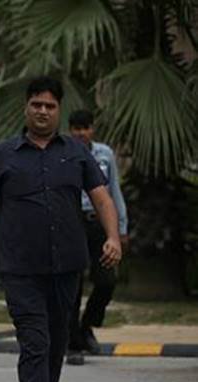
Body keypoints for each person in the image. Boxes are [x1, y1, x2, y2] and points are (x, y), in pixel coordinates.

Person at [0, 77, 122, 382]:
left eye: (50, 106)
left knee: (54, 344)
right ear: (26, 107)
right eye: (36, 104)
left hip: (67, 266)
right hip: (20, 269)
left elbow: (102, 198)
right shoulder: (5, 154)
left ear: (59, 111)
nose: (42, 111)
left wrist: (113, 237)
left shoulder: (77, 152)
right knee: (35, 342)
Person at [66, 109, 129, 365]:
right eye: (76, 128)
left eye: (85, 128)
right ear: (70, 130)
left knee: (106, 280)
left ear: (93, 129)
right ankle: (72, 342)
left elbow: (113, 190)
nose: (80, 133)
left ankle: (87, 325)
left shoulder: (105, 154)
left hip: (99, 222)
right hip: (73, 222)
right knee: (73, 284)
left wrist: (121, 229)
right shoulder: (64, 152)